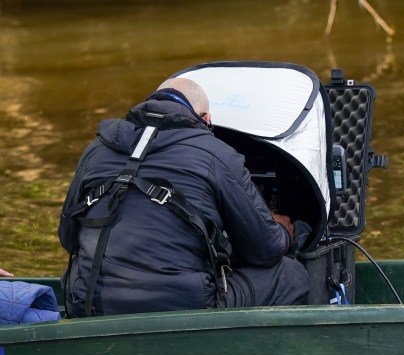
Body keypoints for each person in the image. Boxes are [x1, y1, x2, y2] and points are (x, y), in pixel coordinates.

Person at [58, 77, 307, 317]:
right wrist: (283, 230)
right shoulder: (217, 154)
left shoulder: (97, 149)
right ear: (206, 119)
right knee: (291, 274)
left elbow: (69, 238)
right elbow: (265, 250)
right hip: (186, 308)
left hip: (87, 302)